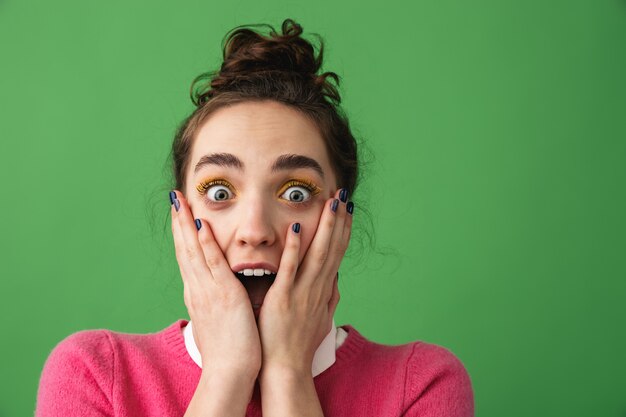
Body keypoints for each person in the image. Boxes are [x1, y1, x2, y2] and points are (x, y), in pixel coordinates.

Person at [35, 19, 474, 417]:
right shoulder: (93, 373)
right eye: (220, 192)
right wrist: (226, 373)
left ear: (341, 220)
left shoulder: (422, 384)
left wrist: (288, 374)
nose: (255, 231)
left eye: (296, 192)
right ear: (181, 216)